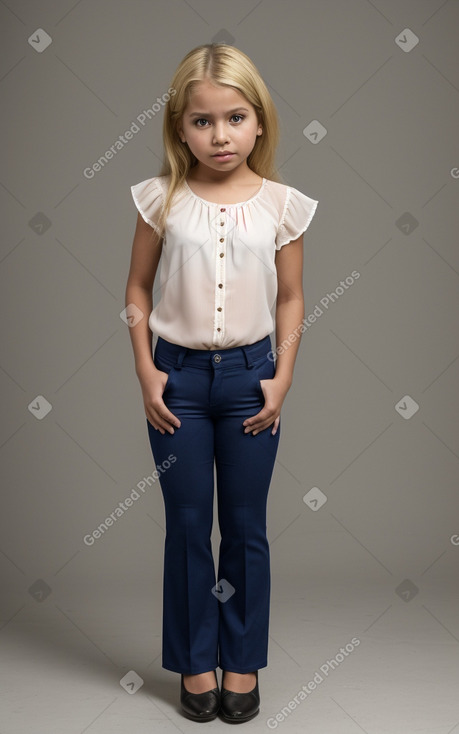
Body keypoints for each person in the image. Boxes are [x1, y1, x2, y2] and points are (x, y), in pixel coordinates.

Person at [125, 42, 318, 724]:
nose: (220, 134)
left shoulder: (282, 206)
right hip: (175, 381)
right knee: (184, 527)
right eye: (202, 121)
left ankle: (241, 663)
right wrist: (146, 369)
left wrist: (281, 376)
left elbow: (291, 298)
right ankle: (194, 662)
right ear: (179, 127)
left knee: (244, 528)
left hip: (248, 380)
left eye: (234, 118)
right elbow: (137, 291)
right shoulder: (161, 200)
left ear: (258, 121)